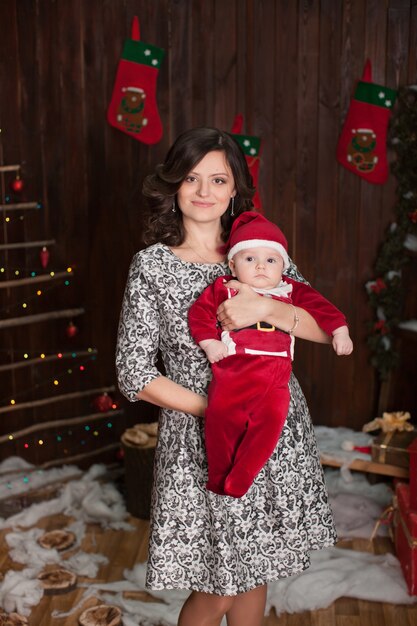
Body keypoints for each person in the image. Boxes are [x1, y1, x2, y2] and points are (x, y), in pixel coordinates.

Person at [116, 127, 338, 626]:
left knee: (256, 573)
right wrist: (214, 409)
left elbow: (324, 326)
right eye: (191, 178)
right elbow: (132, 372)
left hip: (274, 430)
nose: (203, 192)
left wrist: (265, 305)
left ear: (236, 188)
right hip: (203, 438)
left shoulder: (257, 252)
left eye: (218, 180)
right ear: (173, 185)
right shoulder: (152, 266)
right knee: (217, 585)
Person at [188, 210, 353, 499]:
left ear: (282, 266)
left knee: (269, 428)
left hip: (276, 379)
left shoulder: (290, 289)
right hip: (233, 373)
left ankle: (242, 476)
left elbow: (322, 307)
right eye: (250, 259)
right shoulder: (225, 289)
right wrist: (209, 343)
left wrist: (340, 330)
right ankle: (218, 475)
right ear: (233, 264)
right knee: (220, 421)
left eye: (271, 260)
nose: (261, 267)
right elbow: (199, 314)